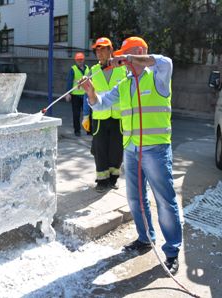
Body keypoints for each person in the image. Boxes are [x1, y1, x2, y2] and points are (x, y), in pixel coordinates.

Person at [80, 36, 182, 275]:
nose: (122, 63)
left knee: (165, 202)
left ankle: (172, 251)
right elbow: (101, 105)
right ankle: (145, 238)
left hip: (155, 149)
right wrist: (91, 92)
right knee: (136, 199)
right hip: (132, 149)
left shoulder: (158, 76)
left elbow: (164, 61)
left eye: (126, 57)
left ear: (137, 54)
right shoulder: (125, 84)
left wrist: (128, 58)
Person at [82, 37, 126, 192]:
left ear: (110, 50)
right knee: (99, 149)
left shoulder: (122, 69)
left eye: (103, 49)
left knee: (117, 149)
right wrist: (86, 115)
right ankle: (102, 180)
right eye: (97, 49)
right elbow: (87, 94)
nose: (99, 52)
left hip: (118, 117)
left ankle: (113, 178)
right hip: (100, 116)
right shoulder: (92, 71)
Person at [65, 52, 89, 136]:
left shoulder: (87, 69)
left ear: (83, 60)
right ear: (75, 60)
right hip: (75, 95)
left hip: (86, 95)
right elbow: (69, 81)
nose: (80, 61)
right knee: (76, 114)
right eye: (78, 60)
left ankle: (89, 130)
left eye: (81, 59)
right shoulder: (73, 69)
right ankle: (77, 131)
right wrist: (68, 94)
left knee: (87, 114)